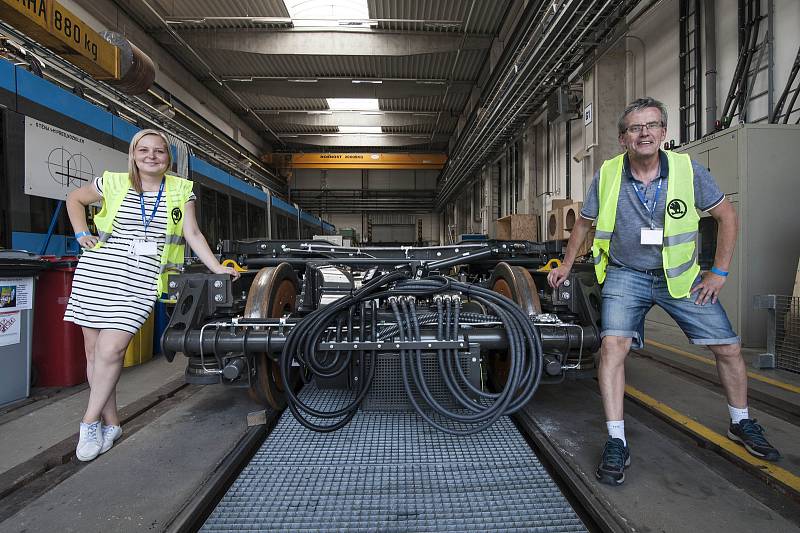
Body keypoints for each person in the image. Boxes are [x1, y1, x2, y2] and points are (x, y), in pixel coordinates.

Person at [547, 97, 780, 486]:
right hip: (626, 274)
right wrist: (567, 266)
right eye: (636, 128)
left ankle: (741, 422)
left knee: (728, 347)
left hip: (680, 277)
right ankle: (617, 439)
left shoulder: (688, 170)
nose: (644, 133)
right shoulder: (607, 175)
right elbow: (584, 224)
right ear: (623, 138)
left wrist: (719, 272)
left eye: (652, 125)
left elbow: (726, 215)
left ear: (663, 133)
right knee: (612, 348)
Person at [64, 129, 240, 462]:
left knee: (112, 349)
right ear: (133, 154)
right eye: (143, 150)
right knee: (94, 352)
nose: (151, 156)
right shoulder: (112, 182)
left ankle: (88, 422)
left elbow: (192, 233)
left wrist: (217, 268)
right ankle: (112, 423)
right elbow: (74, 199)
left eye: (159, 151)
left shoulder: (181, 190)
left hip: (142, 277)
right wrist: (82, 233)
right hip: (98, 271)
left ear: (167, 158)